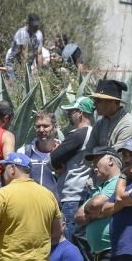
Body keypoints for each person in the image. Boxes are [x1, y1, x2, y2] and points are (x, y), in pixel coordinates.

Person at [75, 146, 122, 261]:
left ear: (110, 160)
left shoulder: (119, 182)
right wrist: (97, 211)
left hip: (112, 252)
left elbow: (93, 206)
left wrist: (93, 210)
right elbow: (78, 217)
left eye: (97, 161)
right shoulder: (99, 188)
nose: (93, 166)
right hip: (97, 254)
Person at [50, 97, 94, 240]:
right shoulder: (95, 133)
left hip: (71, 195)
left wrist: (57, 166)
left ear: (80, 113)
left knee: (68, 241)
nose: (69, 114)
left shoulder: (78, 134)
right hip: (85, 194)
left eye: (71, 111)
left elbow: (52, 159)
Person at [86, 79, 132, 152]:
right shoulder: (99, 125)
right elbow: (87, 152)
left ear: (113, 102)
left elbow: (115, 157)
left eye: (99, 101)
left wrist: (96, 151)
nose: (94, 104)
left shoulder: (129, 125)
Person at [19, 111, 60, 197]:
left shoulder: (64, 153)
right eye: (38, 126)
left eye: (45, 126)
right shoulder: (23, 153)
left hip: (56, 207)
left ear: (55, 127)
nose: (41, 130)